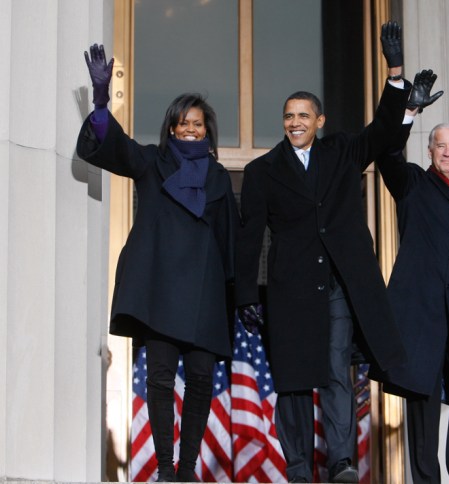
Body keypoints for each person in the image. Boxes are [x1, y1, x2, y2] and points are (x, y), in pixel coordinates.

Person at [235, 21, 413, 484]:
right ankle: (296, 464)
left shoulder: (343, 151)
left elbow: (384, 133)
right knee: (293, 379)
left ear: (320, 120)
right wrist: (246, 295)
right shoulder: (261, 171)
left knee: (336, 370)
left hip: (336, 283)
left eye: (302, 116)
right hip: (289, 287)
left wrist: (395, 74)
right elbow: (250, 234)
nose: (294, 122)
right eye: (288, 116)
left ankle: (340, 461)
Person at [77, 44, 239, 482]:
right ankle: (168, 470)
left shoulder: (221, 178)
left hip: (205, 294)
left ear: (208, 129)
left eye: (197, 123)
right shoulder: (152, 161)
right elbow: (112, 147)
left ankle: (188, 469)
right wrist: (100, 101)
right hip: (161, 290)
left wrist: (240, 299)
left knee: (203, 379)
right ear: (172, 126)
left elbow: (231, 242)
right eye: (183, 122)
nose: (190, 129)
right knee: (161, 378)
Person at [376, 75, 449, 483]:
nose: (447, 152)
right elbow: (387, 155)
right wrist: (408, 112)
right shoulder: (413, 185)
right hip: (421, 314)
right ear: (429, 149)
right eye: (440, 145)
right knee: (422, 407)